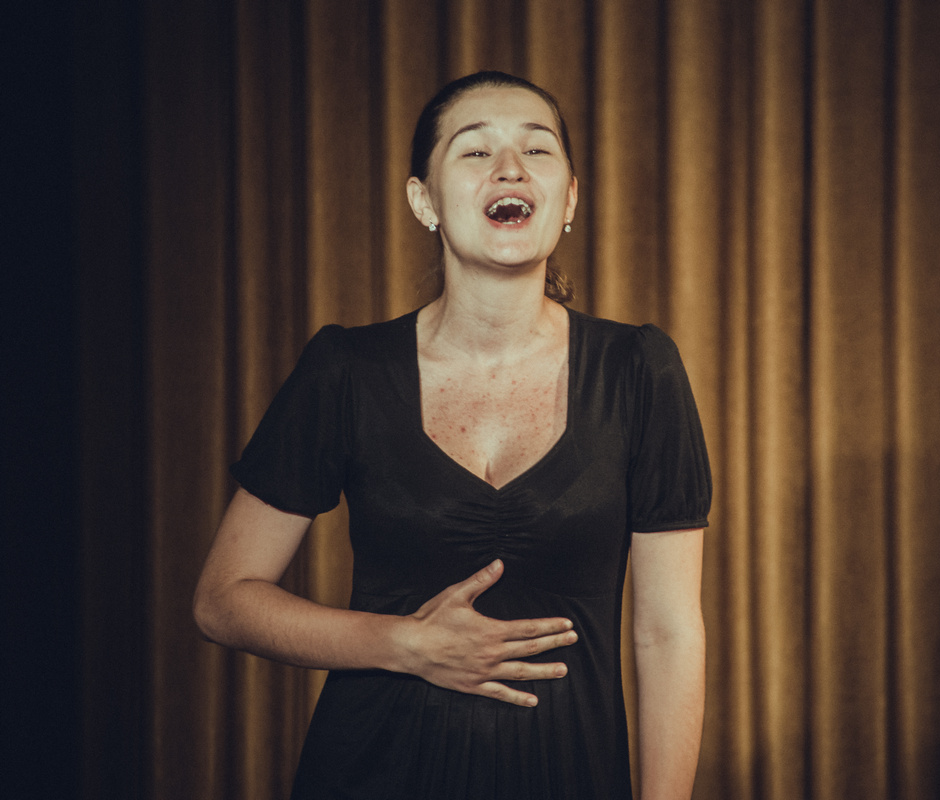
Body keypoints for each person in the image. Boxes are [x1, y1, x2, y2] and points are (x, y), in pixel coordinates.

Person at [193, 70, 711, 800]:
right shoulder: (347, 369)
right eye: (475, 151)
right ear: (424, 200)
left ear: (568, 199)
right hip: (371, 768)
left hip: (566, 772)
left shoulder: (638, 368)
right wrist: (403, 643)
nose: (510, 168)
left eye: (537, 149)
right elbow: (222, 600)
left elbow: (668, 633)